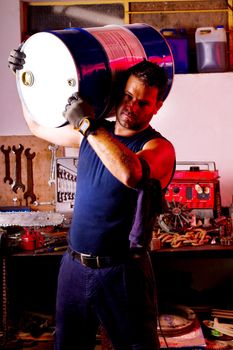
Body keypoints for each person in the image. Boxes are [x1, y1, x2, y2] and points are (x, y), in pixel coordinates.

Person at [8, 46, 175, 350]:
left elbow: (131, 173)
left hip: (122, 273)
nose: (131, 107)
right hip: (73, 267)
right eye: (127, 96)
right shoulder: (94, 133)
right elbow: (36, 126)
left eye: (142, 102)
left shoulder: (159, 148)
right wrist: (23, 79)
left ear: (157, 106)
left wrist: (87, 124)